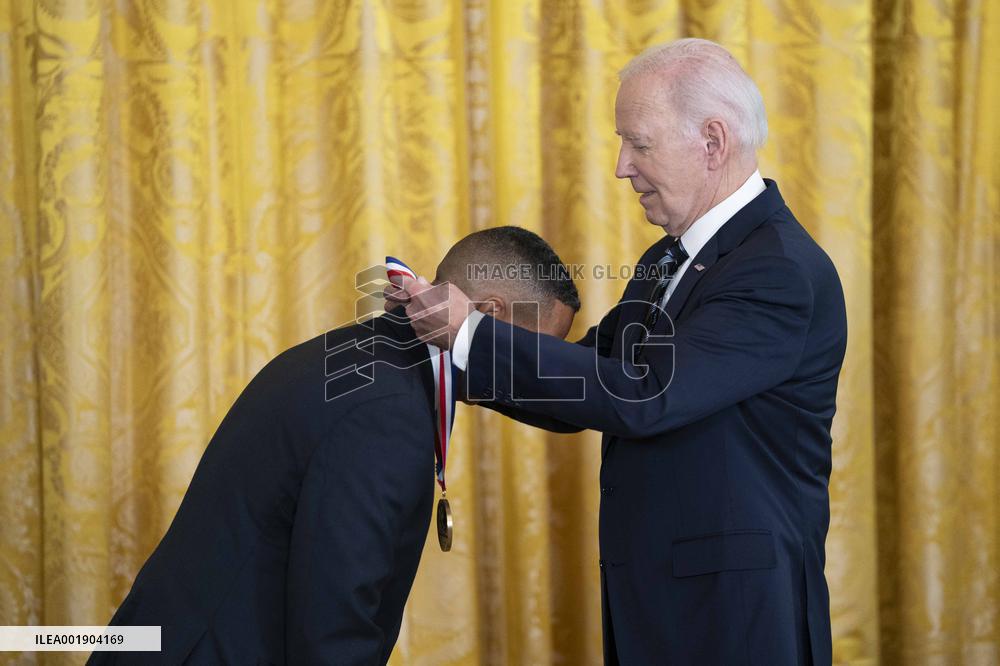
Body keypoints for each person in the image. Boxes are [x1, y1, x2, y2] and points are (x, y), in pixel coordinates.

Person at [394, 38, 847, 665]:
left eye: (639, 143)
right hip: (661, 608)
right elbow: (591, 383)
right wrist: (446, 355)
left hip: (735, 619)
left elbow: (642, 395)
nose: (620, 166)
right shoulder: (667, 258)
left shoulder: (777, 271)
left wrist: (469, 331)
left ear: (712, 142)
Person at [88, 226, 579, 665]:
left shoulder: (369, 356)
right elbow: (333, 622)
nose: (535, 371)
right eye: (539, 349)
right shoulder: (386, 409)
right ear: (488, 315)